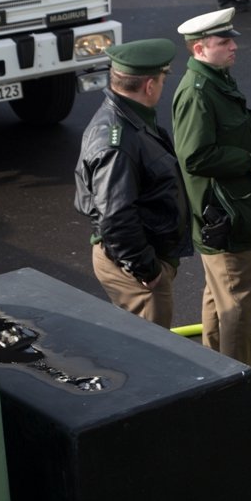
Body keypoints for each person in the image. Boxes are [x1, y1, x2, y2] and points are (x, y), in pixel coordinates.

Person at [171, 8, 251, 420]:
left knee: (217, 299)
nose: (234, 47)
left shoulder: (213, 82)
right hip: (225, 217)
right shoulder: (199, 92)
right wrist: (248, 162)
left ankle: (222, 375)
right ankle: (242, 393)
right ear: (200, 48)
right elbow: (195, 155)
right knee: (238, 305)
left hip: (223, 214)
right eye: (224, 43)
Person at [74, 39, 190, 328]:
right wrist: (147, 270)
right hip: (136, 268)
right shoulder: (118, 139)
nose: (163, 86)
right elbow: (116, 217)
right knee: (154, 357)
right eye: (162, 79)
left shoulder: (130, 119)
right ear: (150, 86)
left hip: (137, 257)